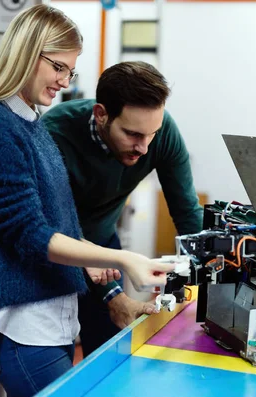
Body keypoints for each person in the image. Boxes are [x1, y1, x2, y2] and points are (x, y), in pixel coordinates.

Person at [0, 6, 173, 397]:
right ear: (26, 51)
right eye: (58, 67)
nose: (64, 81)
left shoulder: (32, 123)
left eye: (70, 71)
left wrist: (109, 286)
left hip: (50, 320)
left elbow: (59, 224)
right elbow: (31, 235)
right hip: (20, 325)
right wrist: (123, 259)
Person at [41, 61, 203, 358]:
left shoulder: (162, 132)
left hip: (104, 241)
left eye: (151, 134)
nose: (143, 147)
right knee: (54, 351)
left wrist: (210, 272)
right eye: (132, 135)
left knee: (109, 349)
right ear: (101, 115)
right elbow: (54, 223)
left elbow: (187, 213)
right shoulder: (55, 134)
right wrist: (113, 296)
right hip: (56, 246)